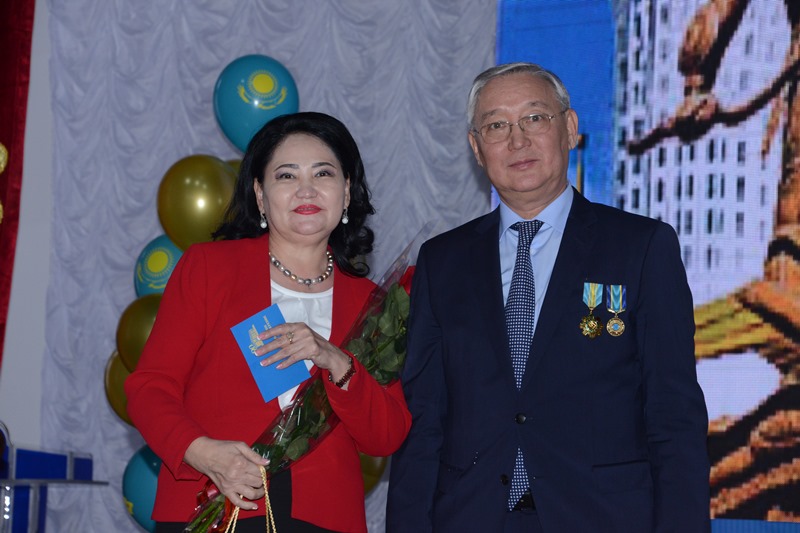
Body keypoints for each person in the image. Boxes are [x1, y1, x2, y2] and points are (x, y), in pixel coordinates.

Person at [386, 63, 710, 532]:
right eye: (496, 126)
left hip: (602, 518)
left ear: (570, 128)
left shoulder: (641, 247)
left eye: (534, 118)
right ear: (476, 147)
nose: (517, 140)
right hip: (471, 517)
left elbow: (673, 414)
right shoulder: (442, 261)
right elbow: (423, 420)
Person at [126, 111, 411, 533]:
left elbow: (386, 436)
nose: (306, 189)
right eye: (286, 176)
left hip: (324, 517)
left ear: (347, 191)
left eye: (323, 173)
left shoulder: (371, 303)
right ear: (260, 195)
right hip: (215, 503)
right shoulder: (210, 269)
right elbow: (149, 389)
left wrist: (336, 361)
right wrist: (205, 454)